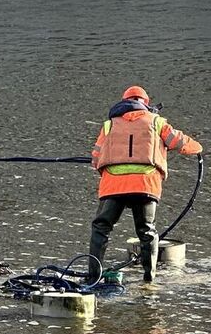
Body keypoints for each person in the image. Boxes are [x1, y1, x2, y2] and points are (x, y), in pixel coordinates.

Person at [86, 85, 201, 283]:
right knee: (147, 231)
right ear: (145, 104)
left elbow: (96, 158)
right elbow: (178, 142)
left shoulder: (109, 125)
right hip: (145, 184)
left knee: (101, 228)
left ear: (123, 102)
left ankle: (93, 276)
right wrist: (198, 147)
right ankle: (149, 280)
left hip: (113, 185)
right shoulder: (157, 122)